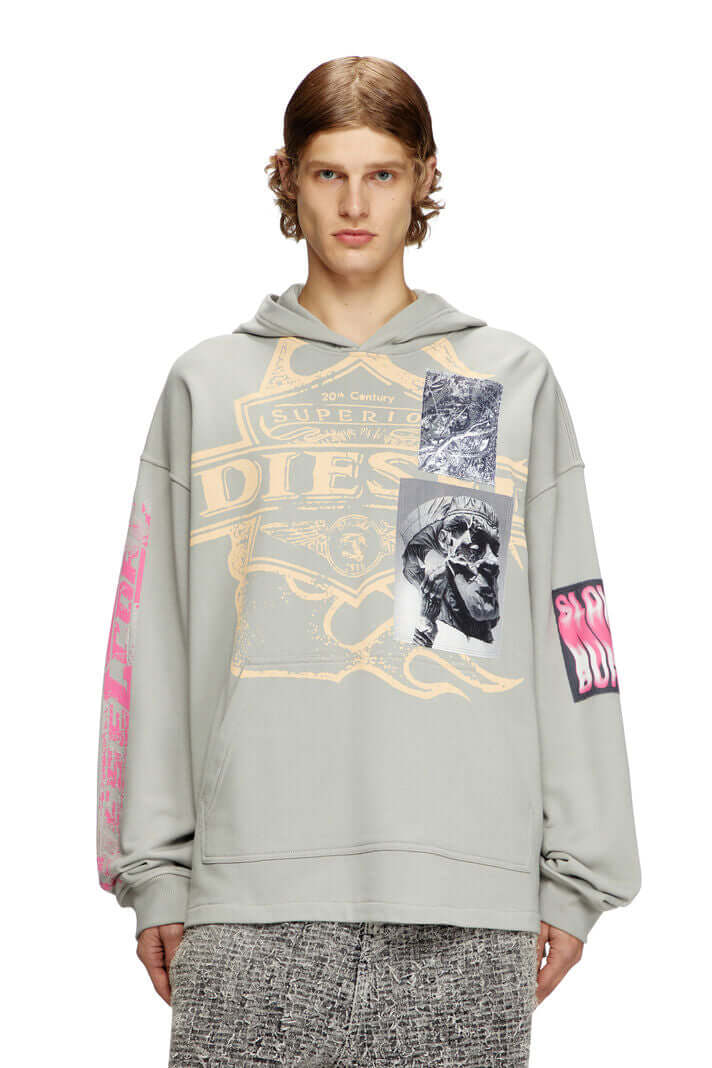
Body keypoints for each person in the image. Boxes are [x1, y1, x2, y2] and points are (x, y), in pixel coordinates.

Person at [95, 56, 642, 1067]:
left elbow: (550, 624)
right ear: (288, 180)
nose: (355, 205)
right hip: (245, 895)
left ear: (423, 179)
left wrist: (579, 872)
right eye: (328, 174)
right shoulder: (213, 385)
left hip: (460, 900)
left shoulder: (480, 382)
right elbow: (152, 638)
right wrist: (155, 871)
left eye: (382, 174)